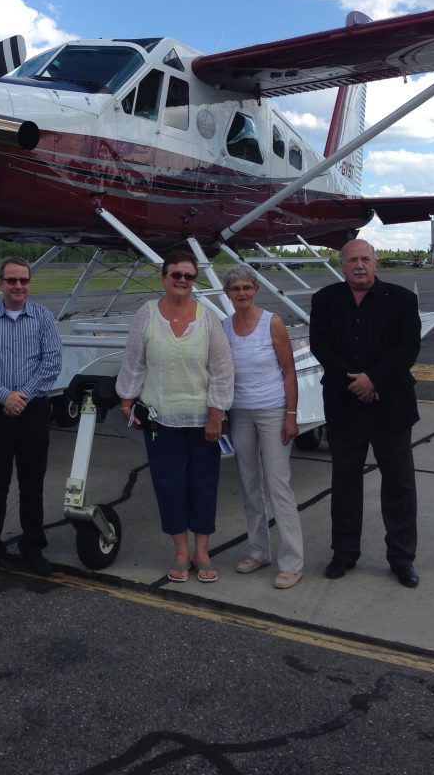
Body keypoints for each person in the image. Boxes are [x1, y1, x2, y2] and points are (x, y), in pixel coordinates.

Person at [309, 238, 421, 588]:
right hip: (345, 407)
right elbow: (320, 345)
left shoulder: (403, 300)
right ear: (342, 265)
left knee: (399, 486)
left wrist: (373, 379)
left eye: (366, 259)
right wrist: (355, 383)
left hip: (391, 407)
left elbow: (408, 348)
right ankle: (344, 554)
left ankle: (402, 559)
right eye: (352, 260)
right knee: (344, 485)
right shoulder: (325, 300)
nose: (359, 265)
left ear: (376, 263)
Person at [116, 249, 234, 583]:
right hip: (160, 419)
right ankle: (180, 551)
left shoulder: (208, 317)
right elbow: (135, 360)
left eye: (188, 276)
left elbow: (222, 370)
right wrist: (126, 400)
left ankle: (202, 551)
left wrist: (216, 413)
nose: (182, 280)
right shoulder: (147, 314)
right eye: (175, 275)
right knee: (169, 485)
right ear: (164, 278)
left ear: (194, 281)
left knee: (203, 485)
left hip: (202, 422)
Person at [0, 257, 62, 577]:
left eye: (23, 280)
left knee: (31, 485)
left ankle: (32, 546)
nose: (18, 286)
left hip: (32, 411)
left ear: (29, 284)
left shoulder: (44, 318)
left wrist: (20, 398)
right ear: (1, 284)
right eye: (12, 281)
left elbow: (51, 364)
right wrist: (4, 396)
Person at [222, 264, 304, 589]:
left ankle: (292, 561)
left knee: (278, 484)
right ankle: (259, 551)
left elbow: (288, 371)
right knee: (248, 483)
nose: (242, 293)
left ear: (255, 290)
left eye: (247, 287)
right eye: (235, 289)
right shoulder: (224, 327)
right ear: (227, 294)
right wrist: (224, 416)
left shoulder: (273, 323)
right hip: (240, 412)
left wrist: (291, 415)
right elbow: (222, 373)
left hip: (272, 410)